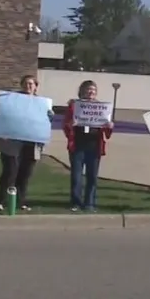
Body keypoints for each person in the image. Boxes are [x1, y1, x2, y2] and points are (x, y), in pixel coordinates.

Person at [0, 74, 47, 213]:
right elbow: (3, 116)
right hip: (11, 142)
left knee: (25, 173)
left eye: (31, 84)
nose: (28, 86)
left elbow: (44, 123)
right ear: (21, 85)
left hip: (31, 143)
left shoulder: (41, 104)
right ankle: (1, 201)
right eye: (26, 83)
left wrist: (49, 116)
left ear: (36, 87)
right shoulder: (11, 100)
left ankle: (20, 201)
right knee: (10, 172)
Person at [63, 80, 114, 212]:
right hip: (78, 145)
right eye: (88, 89)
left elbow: (107, 132)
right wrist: (71, 124)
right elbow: (65, 126)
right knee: (76, 176)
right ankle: (76, 202)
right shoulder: (74, 106)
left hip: (94, 146)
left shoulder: (101, 108)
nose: (91, 92)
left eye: (93, 90)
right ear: (82, 91)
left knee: (92, 177)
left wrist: (110, 127)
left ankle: (89, 203)